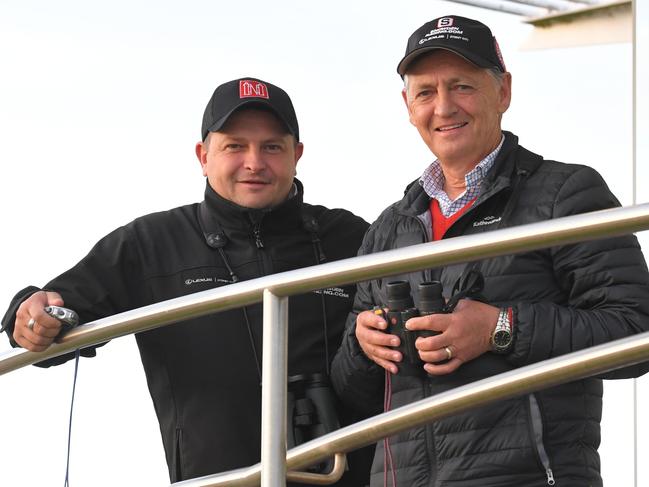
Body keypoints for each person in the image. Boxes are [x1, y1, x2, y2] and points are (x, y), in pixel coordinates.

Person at [1, 77, 374, 485]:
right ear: (203, 156)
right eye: (235, 146)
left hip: (348, 474)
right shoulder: (151, 243)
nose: (254, 162)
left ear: (296, 155)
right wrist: (28, 311)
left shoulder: (350, 236)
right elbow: (55, 309)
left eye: (272, 147)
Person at [331, 15, 649, 487]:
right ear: (407, 105)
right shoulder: (387, 228)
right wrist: (363, 347)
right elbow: (354, 396)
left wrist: (501, 329)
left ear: (503, 93)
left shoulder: (565, 193)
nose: (443, 107)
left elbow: (636, 333)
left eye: (462, 86)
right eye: (425, 92)